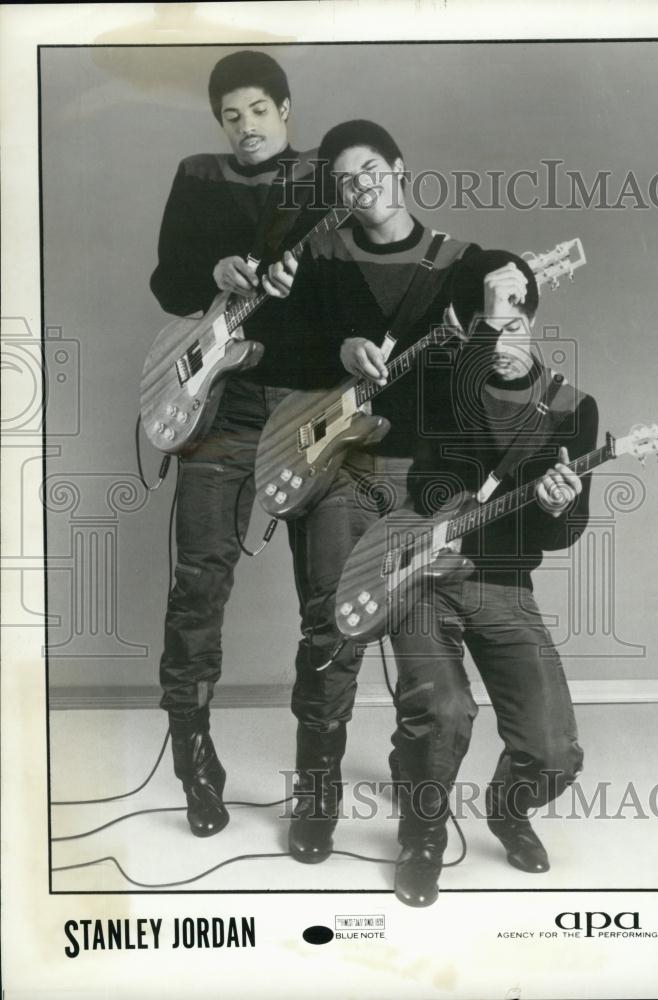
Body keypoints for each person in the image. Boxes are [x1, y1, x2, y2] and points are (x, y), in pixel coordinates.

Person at [248, 119, 486, 864]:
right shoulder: (318, 254)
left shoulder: (460, 263)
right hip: (337, 469)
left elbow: (482, 379)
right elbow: (271, 353)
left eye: (371, 172)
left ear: (400, 168)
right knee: (329, 632)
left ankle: (422, 813)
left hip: (420, 481)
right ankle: (316, 789)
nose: (361, 189)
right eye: (345, 181)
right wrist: (338, 348)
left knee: (427, 653)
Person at [386, 249, 599, 906]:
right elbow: (406, 419)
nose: (502, 340)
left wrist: (560, 507)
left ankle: (508, 808)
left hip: (504, 584)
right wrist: (481, 325)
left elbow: (561, 532)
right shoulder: (448, 381)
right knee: (444, 712)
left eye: (514, 325)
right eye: (491, 326)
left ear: (535, 322)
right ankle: (422, 831)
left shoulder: (571, 409)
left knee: (555, 750)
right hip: (421, 574)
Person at [149, 50, 327, 838]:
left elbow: (353, 294)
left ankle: (318, 778)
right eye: (231, 115)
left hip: (304, 409)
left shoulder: (325, 183)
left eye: (258, 109)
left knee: (329, 596)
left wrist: (308, 286)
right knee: (197, 587)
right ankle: (193, 757)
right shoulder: (197, 175)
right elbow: (168, 283)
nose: (245, 126)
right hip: (217, 407)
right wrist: (209, 268)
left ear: (284, 110)